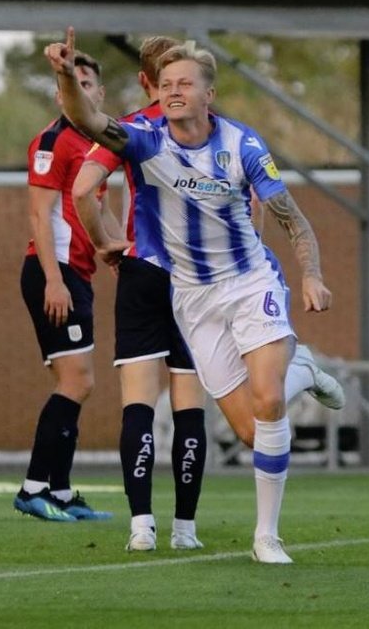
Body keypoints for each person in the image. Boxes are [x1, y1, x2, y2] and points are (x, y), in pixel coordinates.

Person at [47, 29, 335, 564]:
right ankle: (307, 370)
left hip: (251, 284)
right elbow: (87, 121)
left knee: (268, 399)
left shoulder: (242, 145)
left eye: (185, 83)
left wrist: (312, 275)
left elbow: (292, 219)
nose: (173, 91)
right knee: (252, 430)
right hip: (194, 300)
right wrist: (65, 75)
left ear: (209, 95)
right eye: (167, 83)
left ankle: (266, 537)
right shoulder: (145, 139)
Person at [13, 50, 113, 523]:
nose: (82, 90)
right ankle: (34, 487)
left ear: (100, 92)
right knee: (78, 381)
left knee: (79, 382)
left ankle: (61, 490)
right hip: (55, 274)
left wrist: (115, 249)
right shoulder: (54, 140)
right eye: (74, 83)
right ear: (61, 94)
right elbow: (39, 214)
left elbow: (97, 208)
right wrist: (54, 280)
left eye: (89, 84)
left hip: (80, 273)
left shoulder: (98, 144)